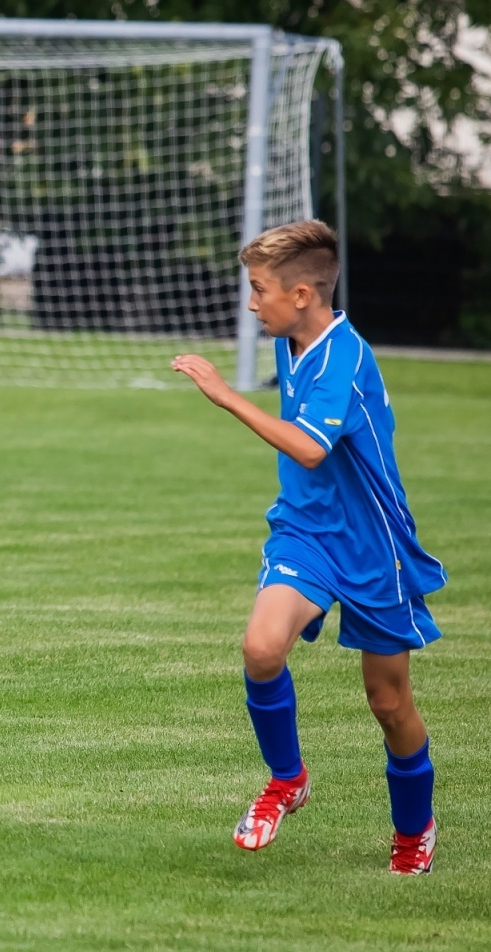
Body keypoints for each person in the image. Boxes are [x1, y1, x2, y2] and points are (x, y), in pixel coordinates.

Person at [172, 219, 448, 875]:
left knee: (389, 703)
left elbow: (309, 446)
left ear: (301, 294)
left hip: (374, 547)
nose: (250, 302)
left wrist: (225, 397)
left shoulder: (346, 358)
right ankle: (286, 780)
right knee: (262, 647)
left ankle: (415, 830)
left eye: (258, 288)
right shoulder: (290, 340)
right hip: (305, 534)